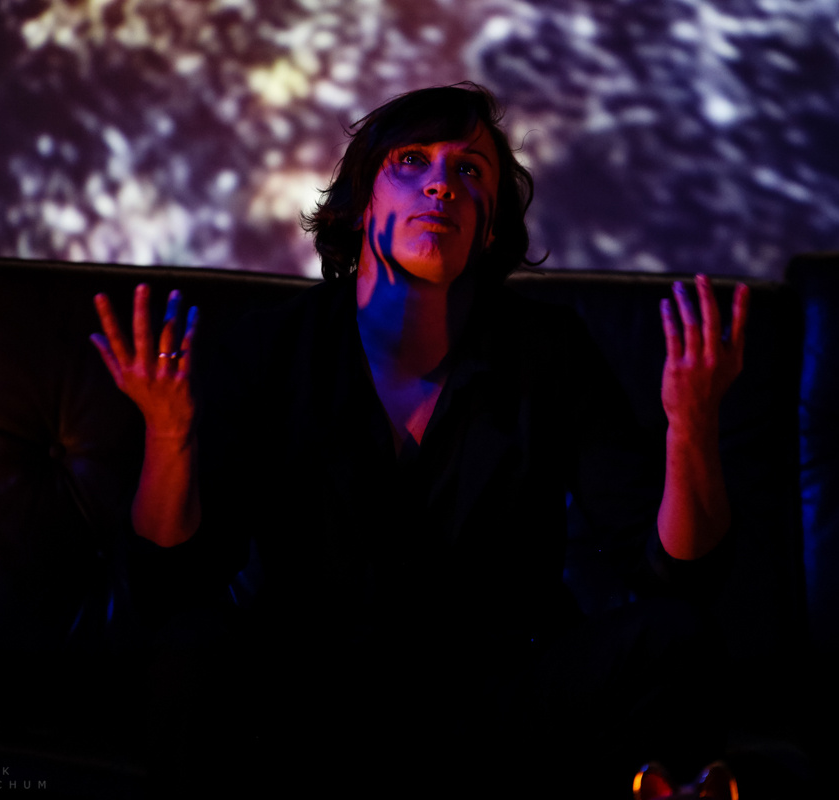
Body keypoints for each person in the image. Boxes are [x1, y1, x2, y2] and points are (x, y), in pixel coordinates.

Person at [91, 83, 748, 787]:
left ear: (488, 228)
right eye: (411, 160)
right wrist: (168, 436)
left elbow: (673, 575)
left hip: (504, 704)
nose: (441, 185)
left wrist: (692, 426)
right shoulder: (272, 347)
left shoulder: (548, 349)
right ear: (361, 201)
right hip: (312, 700)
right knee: (190, 645)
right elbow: (174, 584)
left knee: (674, 638)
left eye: (469, 170)